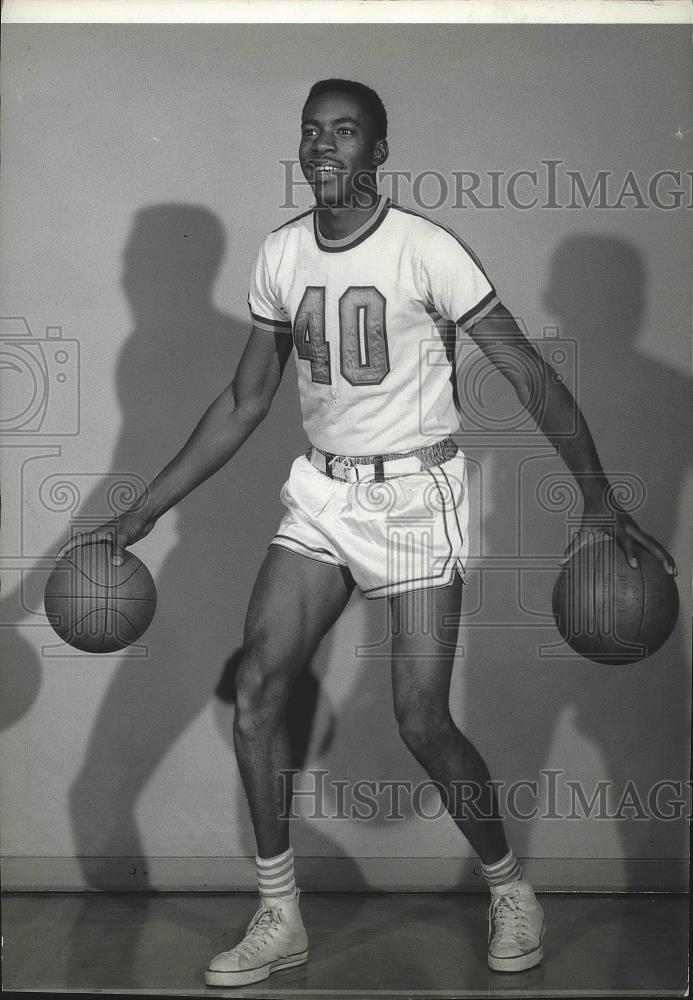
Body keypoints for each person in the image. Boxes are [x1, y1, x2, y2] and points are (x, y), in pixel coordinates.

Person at [58, 79, 677, 989]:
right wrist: (142, 512)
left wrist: (594, 495)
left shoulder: (424, 249)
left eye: (344, 134)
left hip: (419, 497)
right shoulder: (278, 255)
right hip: (322, 496)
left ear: (376, 154)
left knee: (420, 720)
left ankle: (509, 889)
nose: (323, 148)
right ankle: (279, 918)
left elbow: (527, 374)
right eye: (311, 132)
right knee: (260, 691)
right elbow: (242, 401)